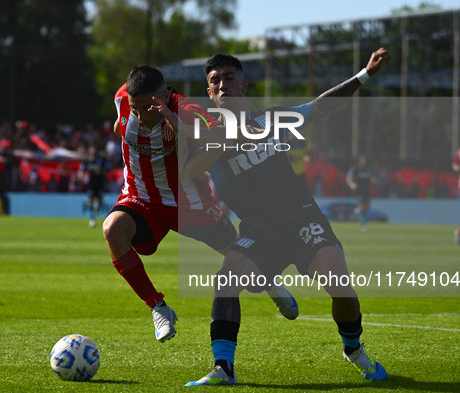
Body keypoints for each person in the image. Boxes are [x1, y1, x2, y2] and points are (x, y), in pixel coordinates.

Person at [154, 48, 391, 385]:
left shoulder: (272, 120)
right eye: (214, 81)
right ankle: (224, 368)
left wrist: (365, 74)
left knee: (340, 288)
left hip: (303, 218)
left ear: (244, 84)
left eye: (229, 77)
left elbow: (323, 105)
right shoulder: (208, 138)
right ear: (209, 93)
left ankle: (353, 349)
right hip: (259, 230)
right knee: (227, 280)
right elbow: (191, 170)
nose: (222, 85)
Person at [102, 65, 297, 344]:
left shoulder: (187, 109)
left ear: (165, 96)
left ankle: (269, 283)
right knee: (112, 229)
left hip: (189, 202)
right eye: (135, 108)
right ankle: (159, 308)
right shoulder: (125, 100)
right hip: (141, 197)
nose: (141, 116)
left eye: (149, 108)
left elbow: (222, 135)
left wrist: (180, 127)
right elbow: (120, 124)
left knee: (240, 259)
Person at [79, 145, 110, 228]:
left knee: (99, 203)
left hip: (100, 184)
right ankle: (92, 220)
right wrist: (81, 176)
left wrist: (101, 172)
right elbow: (81, 169)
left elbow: (108, 168)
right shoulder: (87, 161)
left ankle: (95, 212)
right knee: (90, 201)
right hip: (91, 184)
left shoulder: (101, 161)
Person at [346, 155, 376, 231]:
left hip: (367, 190)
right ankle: (363, 225)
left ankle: (358, 211)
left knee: (366, 208)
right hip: (359, 190)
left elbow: (373, 177)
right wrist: (351, 184)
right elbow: (349, 178)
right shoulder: (355, 168)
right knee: (361, 206)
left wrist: (373, 181)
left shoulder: (369, 169)